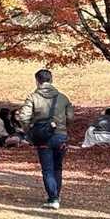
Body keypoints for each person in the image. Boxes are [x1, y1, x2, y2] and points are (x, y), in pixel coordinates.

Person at [18, 69, 74, 209]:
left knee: (47, 169)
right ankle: (56, 195)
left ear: (37, 81)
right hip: (60, 136)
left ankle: (53, 198)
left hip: (43, 137)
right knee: (58, 168)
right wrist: (63, 127)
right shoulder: (63, 98)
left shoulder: (32, 97)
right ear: (51, 80)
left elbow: (23, 117)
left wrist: (29, 131)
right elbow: (70, 117)